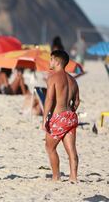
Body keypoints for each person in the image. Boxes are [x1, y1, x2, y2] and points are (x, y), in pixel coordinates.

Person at [42, 50, 80, 182]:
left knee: (49, 147)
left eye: (51, 59)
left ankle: (56, 176)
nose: (50, 62)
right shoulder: (73, 80)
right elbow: (76, 102)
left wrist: (45, 118)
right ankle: (73, 177)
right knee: (71, 150)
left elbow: (49, 99)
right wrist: (69, 112)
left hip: (59, 117)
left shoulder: (53, 77)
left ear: (57, 62)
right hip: (71, 116)